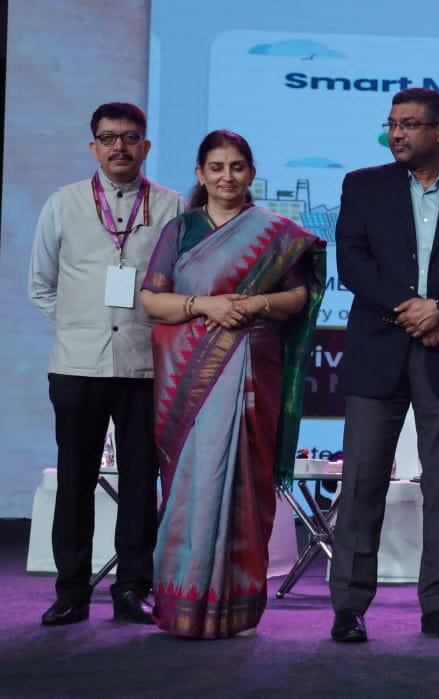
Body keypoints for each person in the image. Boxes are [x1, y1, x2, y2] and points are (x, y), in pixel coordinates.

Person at [328, 88, 439, 643]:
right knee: (361, 484)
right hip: (378, 351)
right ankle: (349, 606)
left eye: (409, 124)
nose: (397, 134)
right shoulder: (362, 185)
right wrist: (414, 311)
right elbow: (353, 263)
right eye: (392, 124)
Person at [138, 129, 325, 638]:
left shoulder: (277, 233)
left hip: (252, 373)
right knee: (191, 486)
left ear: (251, 173)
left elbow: (297, 298)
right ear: (200, 174)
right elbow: (152, 299)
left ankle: (236, 607)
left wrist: (255, 303)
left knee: (245, 482)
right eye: (217, 168)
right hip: (189, 381)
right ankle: (182, 602)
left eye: (237, 167)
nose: (227, 177)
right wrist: (205, 305)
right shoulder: (180, 230)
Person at [27, 103, 183, 626]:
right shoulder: (63, 203)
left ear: (146, 146)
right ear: (93, 146)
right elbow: (41, 285)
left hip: (145, 366)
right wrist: (80, 325)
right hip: (78, 366)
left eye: (130, 137)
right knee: (75, 480)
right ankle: (71, 591)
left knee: (140, 482)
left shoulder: (171, 206)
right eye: (108, 137)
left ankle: (132, 588)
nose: (120, 147)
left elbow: (181, 281)